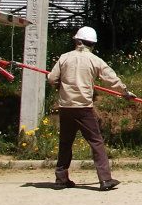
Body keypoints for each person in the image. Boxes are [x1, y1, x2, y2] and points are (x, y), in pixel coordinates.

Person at [48, 26, 135, 192]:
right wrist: (125, 92)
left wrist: (59, 83)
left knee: (65, 143)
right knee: (96, 142)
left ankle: (61, 179)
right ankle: (105, 179)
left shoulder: (64, 58)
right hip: (84, 108)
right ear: (92, 44)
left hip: (65, 107)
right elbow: (111, 78)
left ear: (77, 41)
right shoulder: (95, 60)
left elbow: (52, 78)